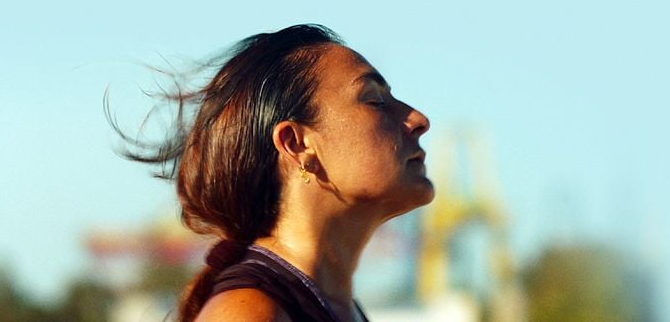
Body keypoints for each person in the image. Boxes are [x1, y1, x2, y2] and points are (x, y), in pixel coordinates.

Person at [116, 24, 434, 322]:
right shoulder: (249, 312)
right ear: (296, 144)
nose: (418, 119)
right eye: (375, 100)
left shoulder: (338, 306)